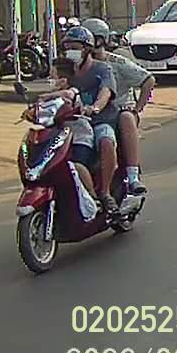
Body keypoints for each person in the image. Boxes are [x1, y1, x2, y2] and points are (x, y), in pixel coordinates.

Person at [82, 18, 152, 195]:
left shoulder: (113, 64)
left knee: (126, 118)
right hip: (85, 114)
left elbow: (148, 80)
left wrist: (137, 109)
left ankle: (132, 177)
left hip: (117, 111)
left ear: (100, 40)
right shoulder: (76, 66)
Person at [56, 26, 121, 214]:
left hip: (99, 120)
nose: (70, 52)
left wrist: (95, 107)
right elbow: (54, 92)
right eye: (67, 47)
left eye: (74, 47)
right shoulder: (65, 70)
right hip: (72, 123)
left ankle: (105, 193)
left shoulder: (102, 69)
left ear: (87, 49)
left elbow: (106, 91)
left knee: (106, 141)